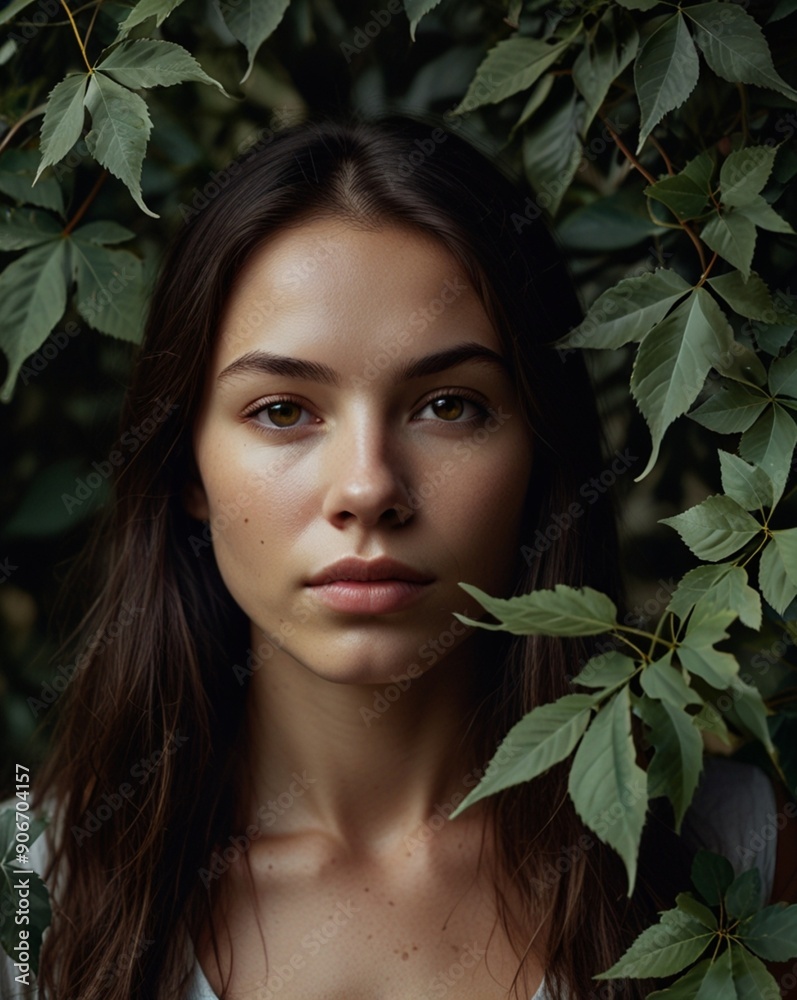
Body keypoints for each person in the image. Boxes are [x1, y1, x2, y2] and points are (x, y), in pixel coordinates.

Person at [0, 113, 787, 1000]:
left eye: (448, 405)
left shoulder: (737, 854)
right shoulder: (28, 894)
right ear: (187, 465)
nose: (368, 487)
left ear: (539, 451)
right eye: (283, 410)